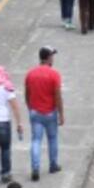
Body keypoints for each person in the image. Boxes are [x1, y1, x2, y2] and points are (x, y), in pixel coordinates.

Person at [24, 47, 63, 180]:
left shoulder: (30, 74)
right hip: (50, 112)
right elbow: (57, 96)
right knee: (52, 139)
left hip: (35, 112)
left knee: (36, 140)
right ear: (47, 58)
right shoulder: (54, 74)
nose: (53, 58)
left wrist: (31, 109)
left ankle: (35, 168)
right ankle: (53, 165)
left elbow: (27, 94)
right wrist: (61, 114)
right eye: (52, 56)